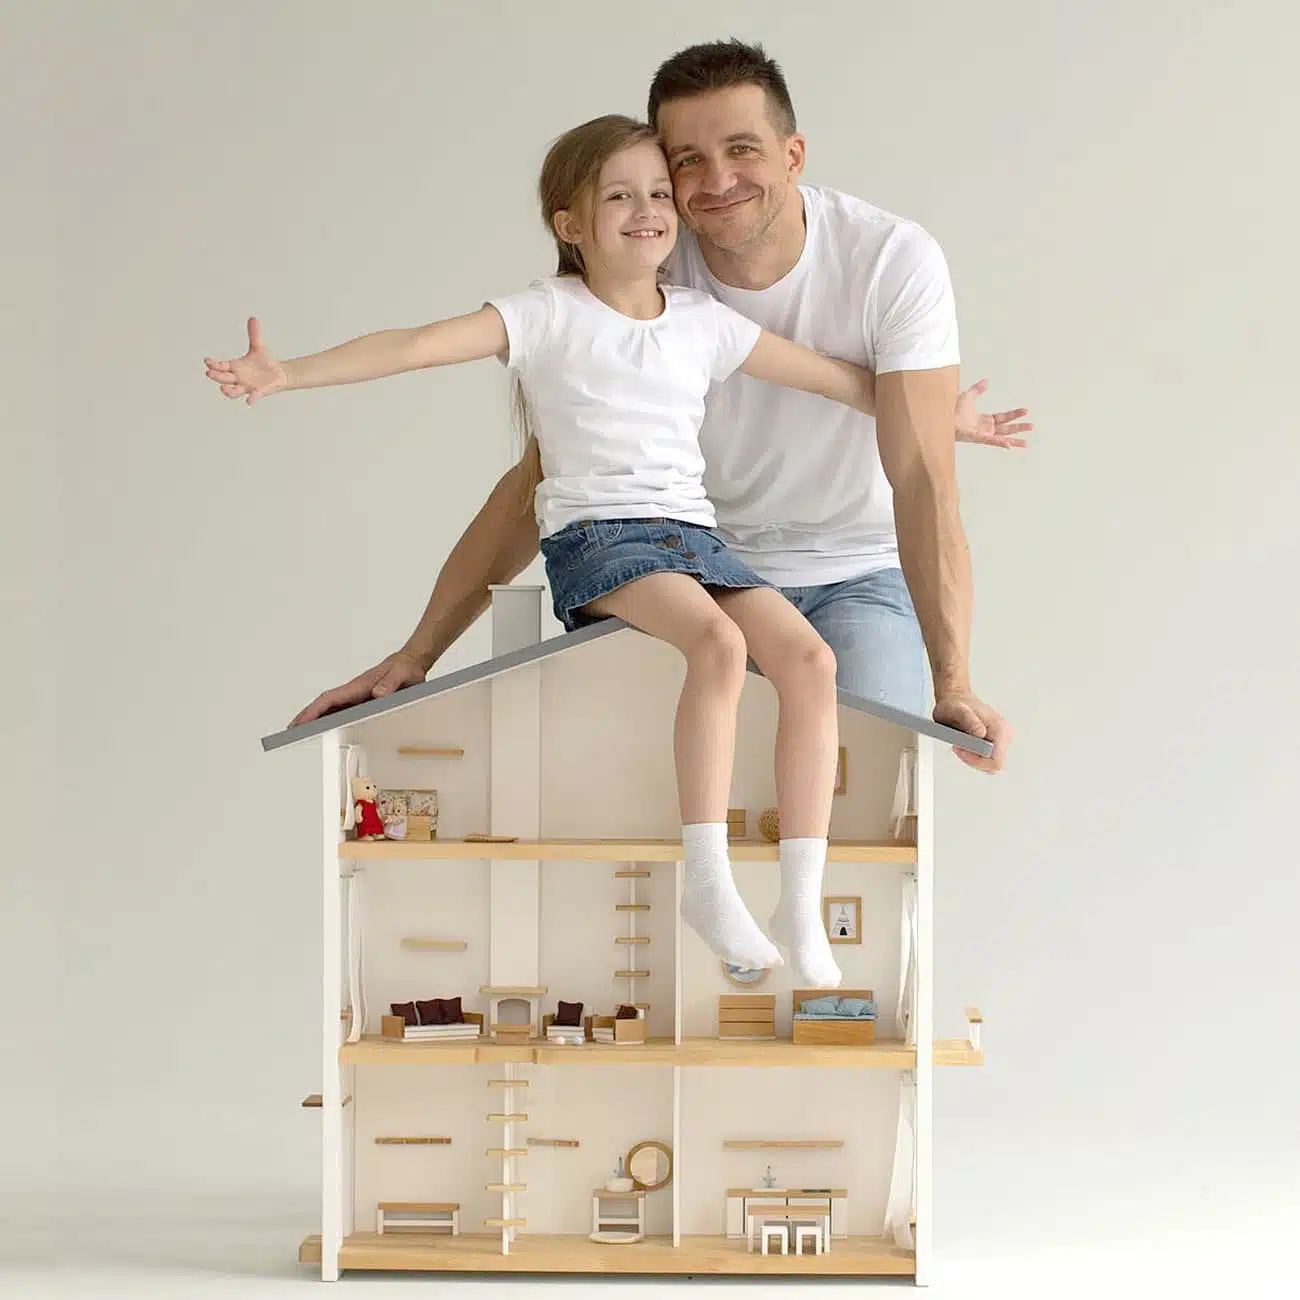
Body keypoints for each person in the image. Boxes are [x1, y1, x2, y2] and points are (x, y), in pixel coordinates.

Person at [205, 115, 995, 986]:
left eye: (659, 193)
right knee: (719, 645)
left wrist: (942, 412)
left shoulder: (702, 320)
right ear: (569, 224)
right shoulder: (544, 315)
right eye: (619, 195)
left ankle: (799, 905)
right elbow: (415, 346)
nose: (649, 209)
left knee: (808, 660)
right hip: (598, 542)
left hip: (693, 539)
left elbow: (841, 381)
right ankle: (707, 881)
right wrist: (290, 373)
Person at [285, 41, 1026, 794]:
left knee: (869, 802)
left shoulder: (890, 261)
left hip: (854, 573)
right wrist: (417, 653)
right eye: (687, 161)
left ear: (794, 153)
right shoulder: (649, 262)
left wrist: (955, 682)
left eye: (742, 149)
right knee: (641, 807)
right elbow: (542, 482)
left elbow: (922, 474)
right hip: (685, 573)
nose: (716, 181)